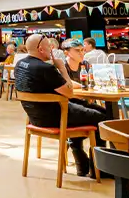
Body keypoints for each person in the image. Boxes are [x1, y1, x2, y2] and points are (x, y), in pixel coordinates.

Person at [15, 33, 105, 177]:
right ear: (41, 49)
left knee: (96, 109)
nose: (52, 50)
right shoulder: (46, 69)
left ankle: (82, 164)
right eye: (49, 47)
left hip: (35, 118)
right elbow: (69, 92)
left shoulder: (20, 65)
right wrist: (62, 68)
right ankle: (99, 169)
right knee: (103, 119)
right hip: (56, 116)